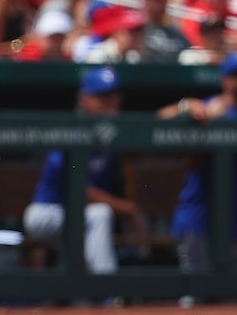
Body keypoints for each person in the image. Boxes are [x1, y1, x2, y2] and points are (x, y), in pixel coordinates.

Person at [22, 67, 148, 274]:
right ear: (84, 99)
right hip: (48, 213)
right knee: (99, 215)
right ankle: (106, 287)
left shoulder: (113, 134)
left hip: (80, 218)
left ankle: (89, 289)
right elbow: (83, 192)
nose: (112, 103)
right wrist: (129, 210)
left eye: (115, 96)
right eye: (103, 97)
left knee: (94, 225)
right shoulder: (70, 133)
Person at [156, 50, 237, 272]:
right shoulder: (207, 111)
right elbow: (156, 123)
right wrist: (185, 107)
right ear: (225, 80)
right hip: (203, 226)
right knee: (197, 293)